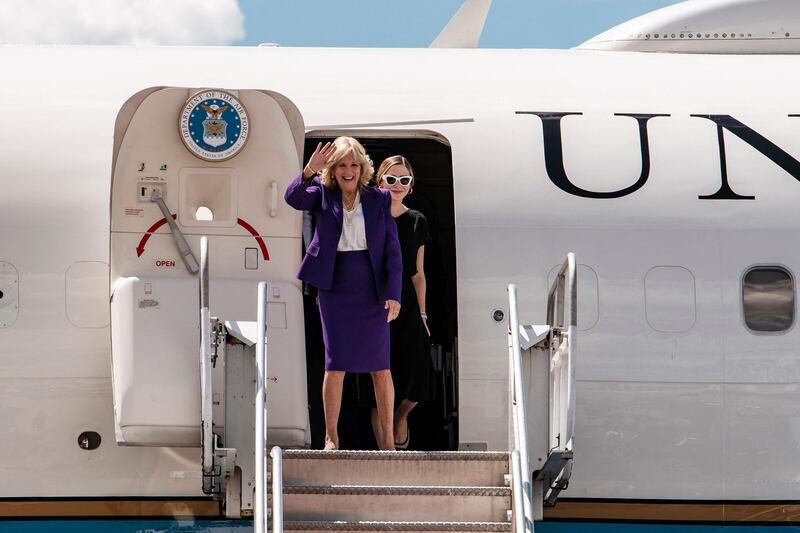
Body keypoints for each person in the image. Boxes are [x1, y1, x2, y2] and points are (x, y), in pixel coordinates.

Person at [284, 137, 402, 451]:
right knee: (335, 364)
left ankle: (388, 442)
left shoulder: (379, 198)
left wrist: (394, 293)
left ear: (362, 168)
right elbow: (292, 197)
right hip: (335, 285)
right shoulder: (322, 194)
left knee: (380, 365)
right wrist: (310, 169)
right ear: (333, 170)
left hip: (371, 285)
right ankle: (330, 437)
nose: (348, 170)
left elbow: (392, 248)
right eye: (341, 165)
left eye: (353, 164)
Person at [372, 155, 435, 450]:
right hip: (372, 299)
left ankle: (400, 417)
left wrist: (422, 313)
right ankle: (387, 452)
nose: (398, 185)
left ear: (411, 186)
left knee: (418, 373)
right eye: (391, 179)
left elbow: (418, 273)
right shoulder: (367, 215)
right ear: (379, 181)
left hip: (407, 303)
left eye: (404, 180)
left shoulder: (417, 220)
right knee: (375, 371)